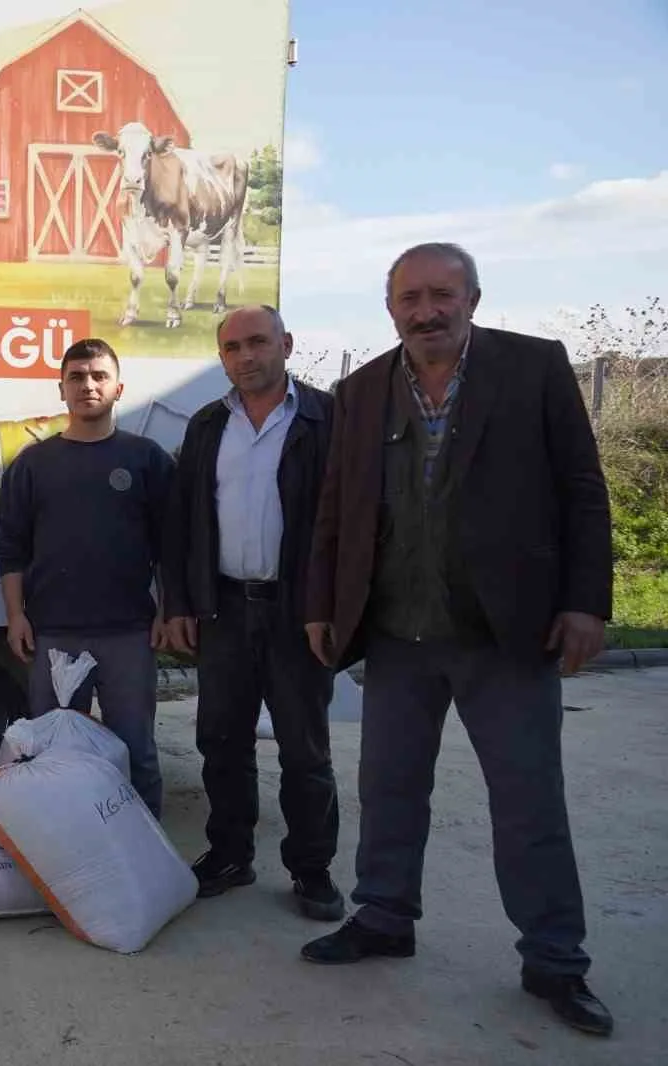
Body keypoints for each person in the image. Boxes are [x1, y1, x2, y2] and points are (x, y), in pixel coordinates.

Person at [300, 243, 615, 1038]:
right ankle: (383, 918)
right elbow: (336, 509)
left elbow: (582, 488)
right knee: (390, 788)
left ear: (474, 297)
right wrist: (322, 603)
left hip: (503, 635)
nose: (426, 311)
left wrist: (586, 602)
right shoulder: (362, 389)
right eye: (410, 297)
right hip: (398, 634)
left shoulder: (535, 368)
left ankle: (554, 960)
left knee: (528, 802)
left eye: (442, 294)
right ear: (390, 307)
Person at [161, 305, 343, 921]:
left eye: (258, 342)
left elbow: (351, 526)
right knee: (221, 741)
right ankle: (230, 854)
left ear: (287, 344)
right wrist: (181, 603)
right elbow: (183, 525)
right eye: (233, 347)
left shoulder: (327, 419)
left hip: (300, 614)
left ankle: (312, 870)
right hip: (226, 612)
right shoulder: (209, 424)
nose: (246, 356)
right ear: (222, 358)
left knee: (304, 749)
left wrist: (334, 607)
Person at [0, 337, 175, 818]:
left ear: (119, 388)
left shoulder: (148, 459)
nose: (87, 385)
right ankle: (68, 853)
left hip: (129, 634)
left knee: (136, 752)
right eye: (76, 376)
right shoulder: (32, 465)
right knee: (56, 758)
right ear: (61, 389)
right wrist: (16, 617)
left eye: (98, 376)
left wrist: (167, 610)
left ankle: (143, 852)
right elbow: (11, 549)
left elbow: (169, 547)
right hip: (54, 635)